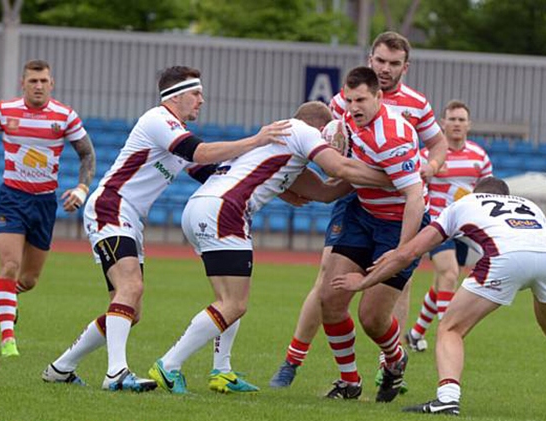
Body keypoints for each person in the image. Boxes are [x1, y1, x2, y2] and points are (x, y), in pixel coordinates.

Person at [41, 65, 291, 392]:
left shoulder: (175, 132)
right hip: (112, 206)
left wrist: (282, 185)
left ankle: (61, 368)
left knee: (131, 307)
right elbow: (199, 152)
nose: (202, 99)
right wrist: (256, 139)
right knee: (130, 288)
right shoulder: (159, 120)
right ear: (175, 96)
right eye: (196, 93)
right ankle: (116, 373)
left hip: (129, 217)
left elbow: (212, 172)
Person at [148, 100, 395, 395]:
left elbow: (327, 193)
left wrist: (362, 181)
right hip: (226, 211)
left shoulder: (280, 145)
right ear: (319, 128)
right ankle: (169, 365)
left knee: (225, 300)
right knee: (234, 304)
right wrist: (393, 176)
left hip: (201, 207)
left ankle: (222, 371)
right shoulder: (301, 130)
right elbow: (338, 167)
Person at [332, 177, 546, 417]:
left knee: (450, 327)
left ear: (476, 192)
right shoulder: (530, 207)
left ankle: (447, 400)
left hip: (505, 258)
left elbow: (408, 253)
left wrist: (364, 282)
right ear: (506, 196)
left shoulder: (464, 204)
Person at [270, 30, 447, 390]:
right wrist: (284, 184)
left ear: (403, 69)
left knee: (373, 312)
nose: (385, 68)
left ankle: (392, 362)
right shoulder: (344, 105)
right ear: (369, 60)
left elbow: (423, 171)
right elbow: (324, 145)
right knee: (329, 288)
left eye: (393, 63)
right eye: (379, 60)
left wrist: (425, 169)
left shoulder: (405, 119)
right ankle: (327, 372)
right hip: (359, 203)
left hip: (399, 213)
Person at [309, 66, 427, 403]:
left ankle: (395, 359)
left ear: (379, 97)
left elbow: (415, 198)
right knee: (329, 299)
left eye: (361, 99)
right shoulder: (346, 121)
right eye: (349, 100)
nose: (354, 107)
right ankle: (349, 382)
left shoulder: (393, 136)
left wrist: (403, 251)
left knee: (372, 319)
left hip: (398, 223)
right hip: (363, 213)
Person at [0, 59, 96, 357]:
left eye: (44, 81)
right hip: (12, 198)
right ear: (22, 83)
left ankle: (7, 296)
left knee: (29, 280)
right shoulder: (3, 110)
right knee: (9, 266)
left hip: (45, 203)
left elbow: (87, 154)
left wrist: (82, 188)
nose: (38, 86)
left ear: (52, 83)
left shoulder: (65, 116)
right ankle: (8, 339)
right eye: (33, 81)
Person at [405, 99, 492, 352]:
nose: (456, 124)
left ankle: (415, 333)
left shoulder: (479, 157)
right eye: (452, 119)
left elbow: (487, 193)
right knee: (451, 273)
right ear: (442, 123)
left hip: (466, 228)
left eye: (461, 119)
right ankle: (447, 332)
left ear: (469, 124)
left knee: (443, 280)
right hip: (437, 224)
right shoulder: (429, 155)